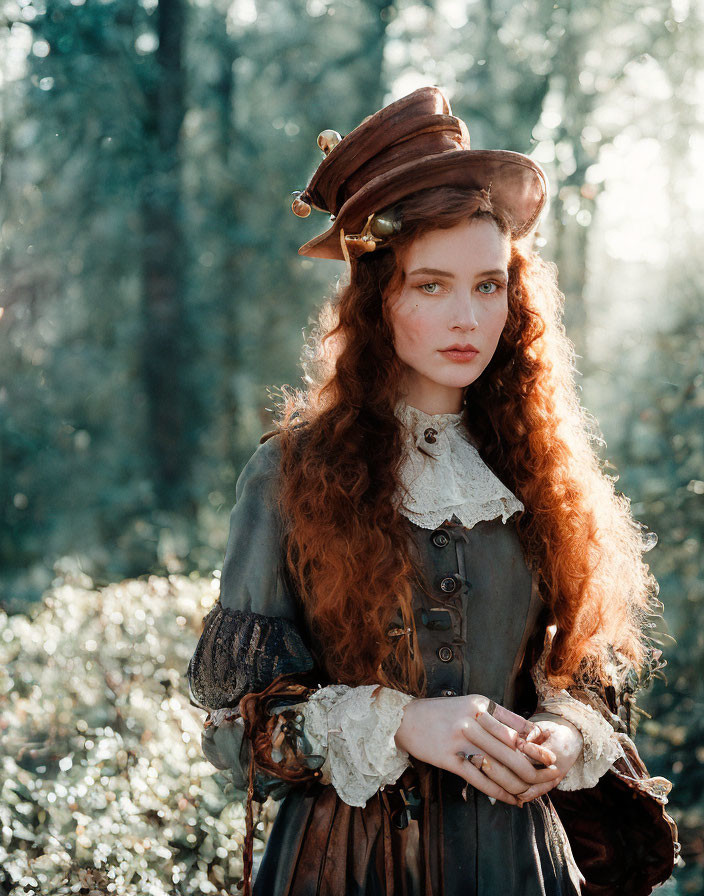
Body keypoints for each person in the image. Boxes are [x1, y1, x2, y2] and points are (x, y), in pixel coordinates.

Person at [186, 87, 680, 895]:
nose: (467, 317)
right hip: (347, 866)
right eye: (431, 286)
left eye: (489, 285)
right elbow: (239, 736)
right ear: (379, 302)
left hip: (518, 863)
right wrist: (405, 723)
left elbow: (588, 677)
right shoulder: (290, 474)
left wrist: (559, 736)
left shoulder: (538, 472)